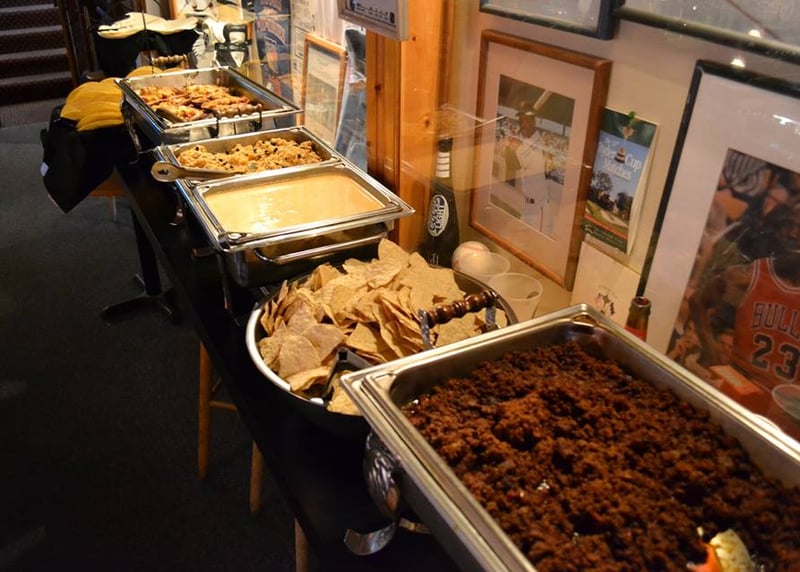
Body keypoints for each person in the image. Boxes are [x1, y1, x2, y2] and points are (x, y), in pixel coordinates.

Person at [503, 100, 555, 235]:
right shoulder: (525, 140)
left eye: (526, 120)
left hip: (539, 208)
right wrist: (510, 147)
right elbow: (511, 165)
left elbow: (514, 165)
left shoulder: (538, 145)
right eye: (521, 121)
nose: (523, 124)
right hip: (528, 206)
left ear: (533, 121)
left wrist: (511, 147)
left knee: (539, 243)